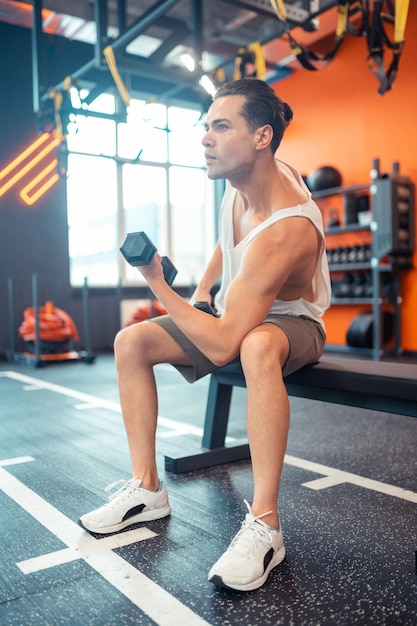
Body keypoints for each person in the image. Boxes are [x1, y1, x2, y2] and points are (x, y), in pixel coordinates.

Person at [79, 78, 331, 592]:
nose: (205, 139)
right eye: (205, 127)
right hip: (244, 306)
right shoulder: (243, 182)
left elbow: (222, 345)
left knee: (256, 344)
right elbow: (229, 238)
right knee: (133, 341)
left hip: (295, 321)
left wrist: (155, 280)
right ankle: (148, 489)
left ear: (262, 137)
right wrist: (199, 292)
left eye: (220, 126)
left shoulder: (287, 228)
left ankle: (265, 526)